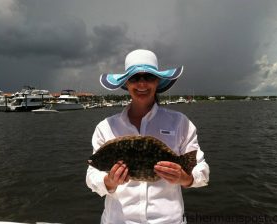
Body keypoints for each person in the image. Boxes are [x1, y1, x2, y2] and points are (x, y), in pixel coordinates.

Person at [86, 49, 210, 224]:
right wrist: (109, 181)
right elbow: (91, 176)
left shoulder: (180, 122)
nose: (142, 84)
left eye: (149, 77)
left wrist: (186, 178)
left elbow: (201, 171)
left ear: (157, 81)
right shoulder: (105, 127)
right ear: (126, 83)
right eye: (135, 78)